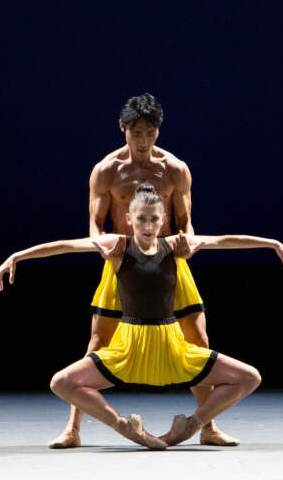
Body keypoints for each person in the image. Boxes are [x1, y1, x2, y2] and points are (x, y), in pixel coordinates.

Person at [0, 183, 283, 449]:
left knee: (250, 377)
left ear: (163, 218)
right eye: (142, 219)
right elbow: (67, 246)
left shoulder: (173, 245)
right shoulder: (117, 245)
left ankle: (192, 426)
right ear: (129, 218)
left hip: (171, 347)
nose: (149, 225)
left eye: (154, 219)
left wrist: (272, 243)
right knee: (61, 382)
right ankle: (124, 427)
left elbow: (224, 241)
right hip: (129, 348)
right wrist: (18, 256)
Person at [50, 93, 240, 449]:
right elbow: (94, 224)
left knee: (198, 338)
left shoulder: (174, 168)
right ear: (123, 128)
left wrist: (188, 242)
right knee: (98, 340)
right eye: (137, 132)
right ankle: (74, 428)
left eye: (150, 132)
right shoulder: (107, 170)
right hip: (121, 260)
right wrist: (105, 248)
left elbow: (186, 223)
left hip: (168, 261)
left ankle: (207, 426)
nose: (143, 140)